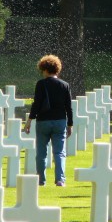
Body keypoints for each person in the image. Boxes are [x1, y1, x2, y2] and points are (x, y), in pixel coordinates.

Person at [24, 55, 73, 187]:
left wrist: (29, 121)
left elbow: (37, 104)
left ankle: (41, 180)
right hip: (60, 121)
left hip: (43, 121)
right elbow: (68, 107)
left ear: (45, 69)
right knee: (59, 152)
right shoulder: (65, 85)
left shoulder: (41, 84)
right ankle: (60, 180)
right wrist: (70, 124)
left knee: (41, 152)